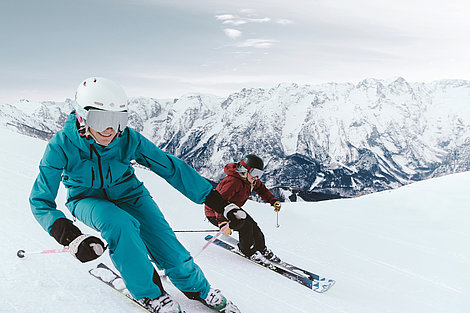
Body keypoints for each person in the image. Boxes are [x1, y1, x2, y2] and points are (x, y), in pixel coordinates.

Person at [29, 77, 246, 313]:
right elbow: (41, 201)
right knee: (120, 224)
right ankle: (150, 294)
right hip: (86, 199)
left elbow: (170, 167)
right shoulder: (61, 145)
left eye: (118, 120)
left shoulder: (127, 138)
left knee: (165, 241)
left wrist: (219, 203)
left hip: (131, 194)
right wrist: (69, 235)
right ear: (82, 116)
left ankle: (199, 288)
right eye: (101, 120)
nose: (110, 130)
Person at [205, 154, 282, 265]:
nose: (256, 177)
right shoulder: (233, 182)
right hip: (215, 213)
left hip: (231, 208)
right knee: (246, 227)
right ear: (244, 170)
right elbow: (218, 202)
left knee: (253, 226)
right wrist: (222, 222)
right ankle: (247, 251)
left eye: (259, 174)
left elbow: (261, 189)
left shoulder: (250, 180)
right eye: (255, 173)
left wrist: (273, 201)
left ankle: (261, 249)